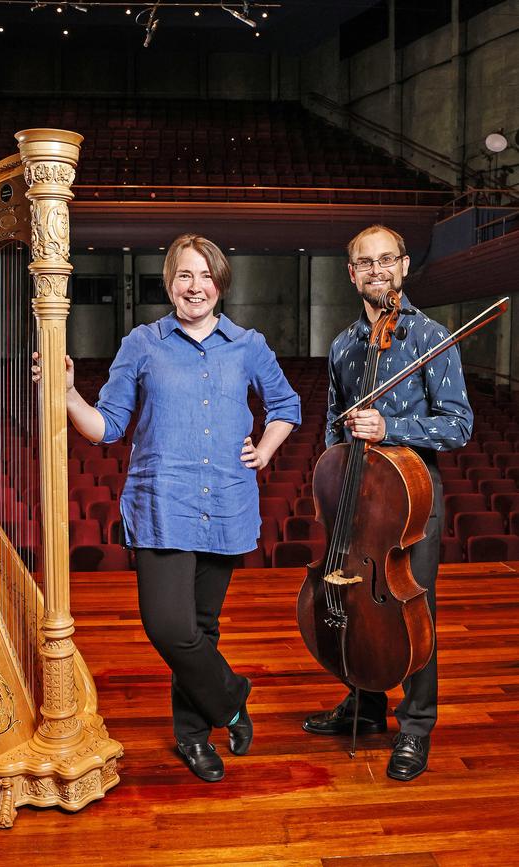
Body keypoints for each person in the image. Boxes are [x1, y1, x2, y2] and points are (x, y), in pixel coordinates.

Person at [34, 234, 300, 782]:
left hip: (226, 500)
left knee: (201, 628)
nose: (195, 286)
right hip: (160, 502)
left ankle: (194, 738)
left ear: (220, 283)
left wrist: (264, 450)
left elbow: (286, 405)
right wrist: (66, 394)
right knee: (168, 626)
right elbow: (107, 427)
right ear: (170, 284)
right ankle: (231, 695)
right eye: (184, 275)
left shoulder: (248, 345)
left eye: (205, 276)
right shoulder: (143, 343)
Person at [301, 224, 473, 781]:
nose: (377, 270)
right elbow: (334, 420)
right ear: (352, 275)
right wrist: (333, 483)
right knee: (356, 603)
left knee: (411, 608)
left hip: (412, 501)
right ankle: (366, 705)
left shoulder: (431, 338)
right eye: (365, 263)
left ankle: (417, 725)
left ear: (402, 267)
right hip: (357, 497)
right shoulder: (344, 345)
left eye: (386, 260)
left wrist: (390, 425)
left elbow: (459, 425)